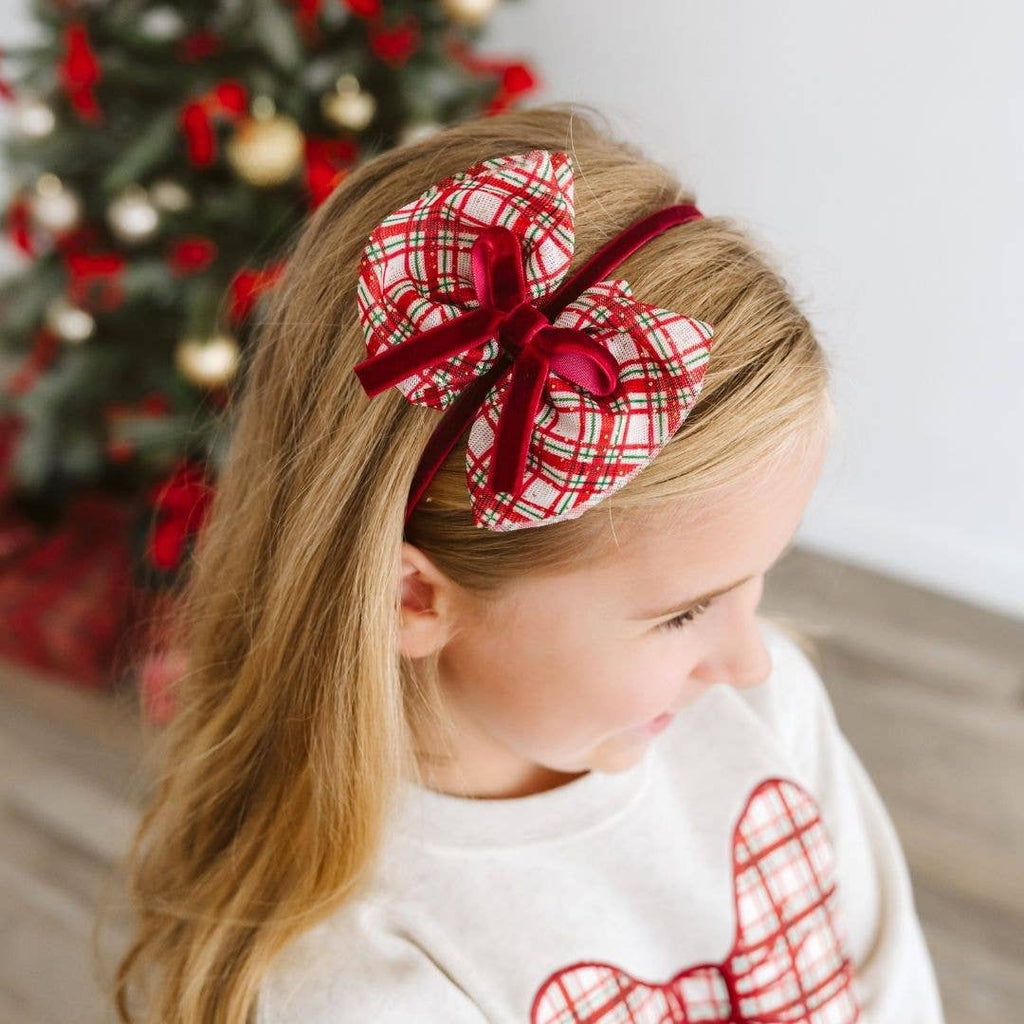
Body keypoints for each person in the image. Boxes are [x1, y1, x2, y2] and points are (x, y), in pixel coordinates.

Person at [110, 103, 946, 1023]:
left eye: (758, 580)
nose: (751, 659)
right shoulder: (354, 975)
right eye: (683, 614)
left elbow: (891, 988)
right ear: (413, 597)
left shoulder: (765, 712)